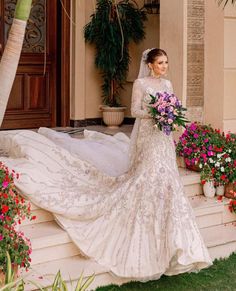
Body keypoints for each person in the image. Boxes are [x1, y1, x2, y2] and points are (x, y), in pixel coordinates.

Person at [0, 48, 212, 281]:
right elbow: (135, 111)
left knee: (168, 180)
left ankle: (179, 245)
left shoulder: (168, 85)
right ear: (150, 64)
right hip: (148, 139)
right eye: (160, 63)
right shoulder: (141, 83)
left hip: (162, 139)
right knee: (148, 177)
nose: (164, 66)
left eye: (166, 62)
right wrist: (156, 111)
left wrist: (170, 114)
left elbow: (174, 108)